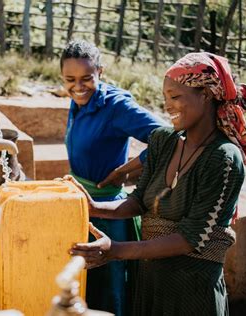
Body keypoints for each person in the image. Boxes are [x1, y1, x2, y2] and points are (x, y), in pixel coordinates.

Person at [68, 52, 246, 315]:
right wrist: (92, 207)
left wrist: (114, 251)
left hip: (192, 290)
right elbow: (138, 200)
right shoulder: (163, 141)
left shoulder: (223, 158)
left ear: (205, 95)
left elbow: (189, 239)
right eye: (165, 97)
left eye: (175, 97)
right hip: (150, 282)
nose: (168, 106)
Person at [60, 40, 164, 315]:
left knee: (110, 289)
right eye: (70, 79)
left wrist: (128, 168)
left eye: (86, 78)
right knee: (86, 284)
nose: (78, 87)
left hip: (109, 214)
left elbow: (168, 137)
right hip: (82, 206)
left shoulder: (116, 106)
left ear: (100, 72)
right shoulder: (79, 102)